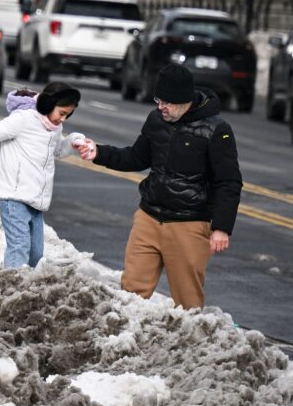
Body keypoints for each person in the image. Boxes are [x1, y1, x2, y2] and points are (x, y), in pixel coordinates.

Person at [76, 63, 243, 309]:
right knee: (130, 295)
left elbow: (229, 181)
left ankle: (191, 346)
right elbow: (136, 157)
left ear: (185, 100)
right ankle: (126, 344)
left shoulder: (217, 130)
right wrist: (98, 152)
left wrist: (221, 227)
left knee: (188, 304)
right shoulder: (157, 119)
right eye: (158, 100)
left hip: (189, 224)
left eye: (167, 102)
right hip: (149, 218)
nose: (160, 106)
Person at [0, 82, 87, 268]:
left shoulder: (55, 129)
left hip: (36, 200)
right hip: (14, 197)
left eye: (67, 115)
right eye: (62, 113)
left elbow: (56, 152)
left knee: (36, 253)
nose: (63, 119)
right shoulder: (23, 119)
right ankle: (12, 287)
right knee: (19, 246)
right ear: (47, 104)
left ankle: (27, 286)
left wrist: (73, 142)